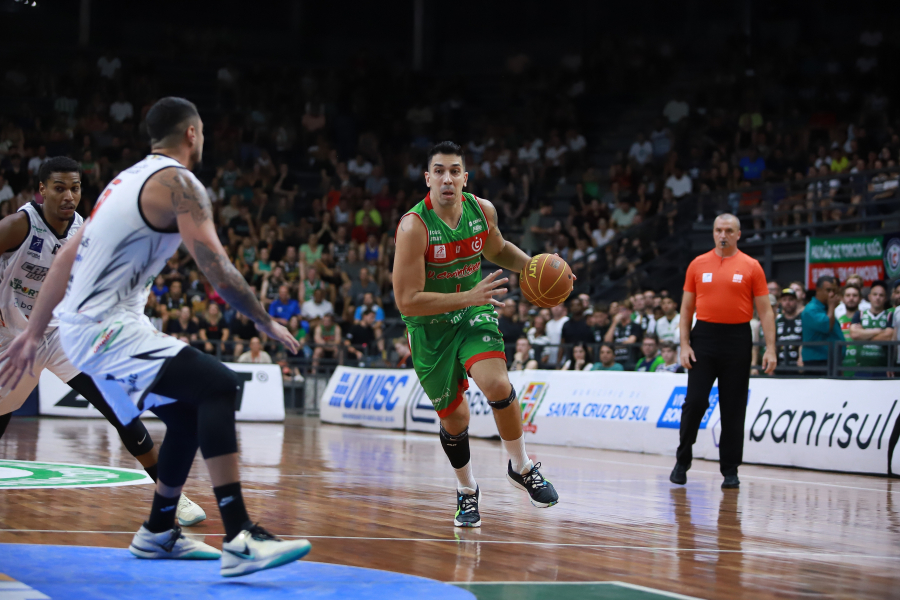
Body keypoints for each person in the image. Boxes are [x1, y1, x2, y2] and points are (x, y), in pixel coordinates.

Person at [0, 98, 309, 576]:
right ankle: (241, 534)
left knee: (185, 413)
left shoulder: (122, 182)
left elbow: (63, 261)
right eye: (202, 131)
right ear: (191, 134)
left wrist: (35, 331)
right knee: (219, 386)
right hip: (103, 330)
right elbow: (218, 269)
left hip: (81, 332)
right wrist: (264, 319)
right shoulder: (179, 183)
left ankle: (159, 531)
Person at [0, 156, 205, 527]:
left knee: (119, 407)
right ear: (41, 190)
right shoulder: (19, 225)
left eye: (75, 188)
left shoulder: (85, 230)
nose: (68, 196)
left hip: (61, 335)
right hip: (12, 338)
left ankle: (171, 496)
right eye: (59, 188)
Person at [393, 141, 558, 529]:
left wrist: (535, 267)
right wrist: (467, 294)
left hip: (472, 312)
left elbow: (497, 248)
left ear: (465, 178)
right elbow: (406, 301)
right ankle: (467, 491)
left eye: (454, 171)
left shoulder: (481, 210)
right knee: (456, 420)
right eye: (439, 171)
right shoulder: (413, 227)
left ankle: (522, 466)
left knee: (498, 384)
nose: (447, 178)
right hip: (429, 328)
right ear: (428, 178)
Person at [672, 213, 776, 490]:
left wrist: (770, 349)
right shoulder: (697, 264)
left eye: (729, 230)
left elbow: (765, 312)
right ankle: (683, 459)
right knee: (694, 402)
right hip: (704, 338)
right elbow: (686, 309)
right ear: (713, 232)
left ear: (738, 234)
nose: (723, 235)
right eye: (719, 230)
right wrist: (684, 345)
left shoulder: (752, 266)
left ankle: (730, 469)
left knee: (733, 408)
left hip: (737, 339)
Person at [848, 280, 895, 376]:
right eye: (875, 294)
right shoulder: (859, 314)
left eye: (881, 295)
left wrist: (863, 334)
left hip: (883, 369)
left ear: (886, 298)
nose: (878, 298)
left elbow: (889, 336)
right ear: (869, 297)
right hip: (862, 368)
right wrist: (878, 331)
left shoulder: (890, 315)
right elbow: (854, 334)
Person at [800, 276, 844, 374]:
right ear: (818, 290)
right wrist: (832, 306)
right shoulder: (810, 309)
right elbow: (826, 326)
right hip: (817, 362)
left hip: (831, 360)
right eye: (828, 290)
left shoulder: (825, 308)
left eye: (834, 290)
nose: (832, 294)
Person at [774, 288, 803, 374]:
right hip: (780, 365)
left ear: (796, 301)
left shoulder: (802, 319)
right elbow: (774, 343)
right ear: (780, 302)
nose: (788, 303)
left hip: (798, 366)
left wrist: (801, 358)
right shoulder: (778, 321)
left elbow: (805, 340)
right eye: (784, 300)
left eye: (791, 299)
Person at [837, 283, 862, 375]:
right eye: (848, 295)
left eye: (855, 295)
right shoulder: (837, 320)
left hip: (861, 368)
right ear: (842, 299)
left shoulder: (865, 318)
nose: (851, 298)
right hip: (842, 367)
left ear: (860, 299)